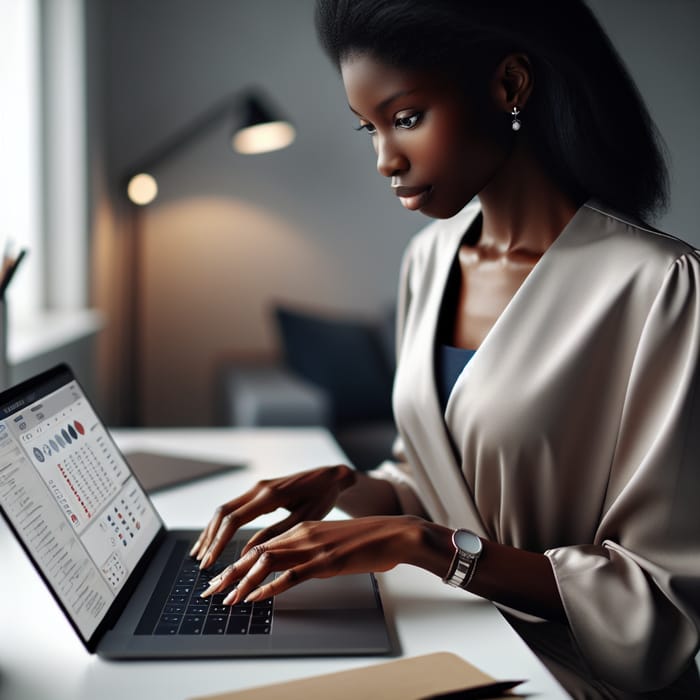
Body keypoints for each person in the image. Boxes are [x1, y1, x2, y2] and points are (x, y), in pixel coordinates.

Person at [191, 1, 700, 696]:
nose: (384, 160)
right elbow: (431, 484)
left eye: (405, 118)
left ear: (510, 86)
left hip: (563, 673)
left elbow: (657, 596)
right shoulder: (429, 260)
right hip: (445, 635)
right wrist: (344, 484)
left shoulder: (662, 288)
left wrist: (426, 547)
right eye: (368, 128)